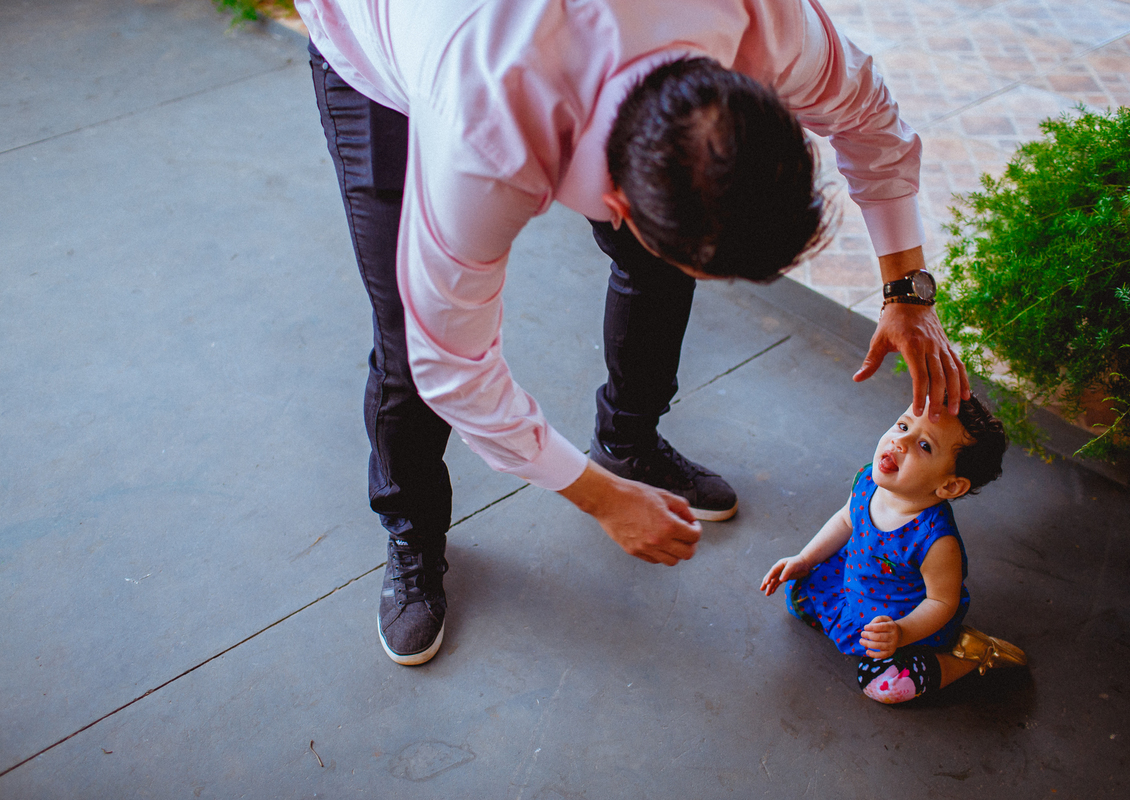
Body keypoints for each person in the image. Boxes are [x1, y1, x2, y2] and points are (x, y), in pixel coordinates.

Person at [296, 0, 972, 666]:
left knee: (669, 251)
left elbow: (869, 117)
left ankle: (628, 442)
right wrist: (598, 498)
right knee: (405, 338)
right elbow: (452, 366)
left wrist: (906, 292)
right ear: (618, 205)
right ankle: (412, 529)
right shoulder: (485, 136)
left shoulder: (765, 22)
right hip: (387, 42)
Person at [760, 397, 1025, 704]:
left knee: (885, 685)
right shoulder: (867, 480)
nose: (900, 441)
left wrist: (901, 633)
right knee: (797, 593)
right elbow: (846, 519)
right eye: (903, 425)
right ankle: (848, 622)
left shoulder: (936, 540)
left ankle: (970, 656)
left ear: (950, 486)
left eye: (924, 446)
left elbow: (942, 602)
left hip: (903, 620)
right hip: (855, 585)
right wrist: (805, 559)